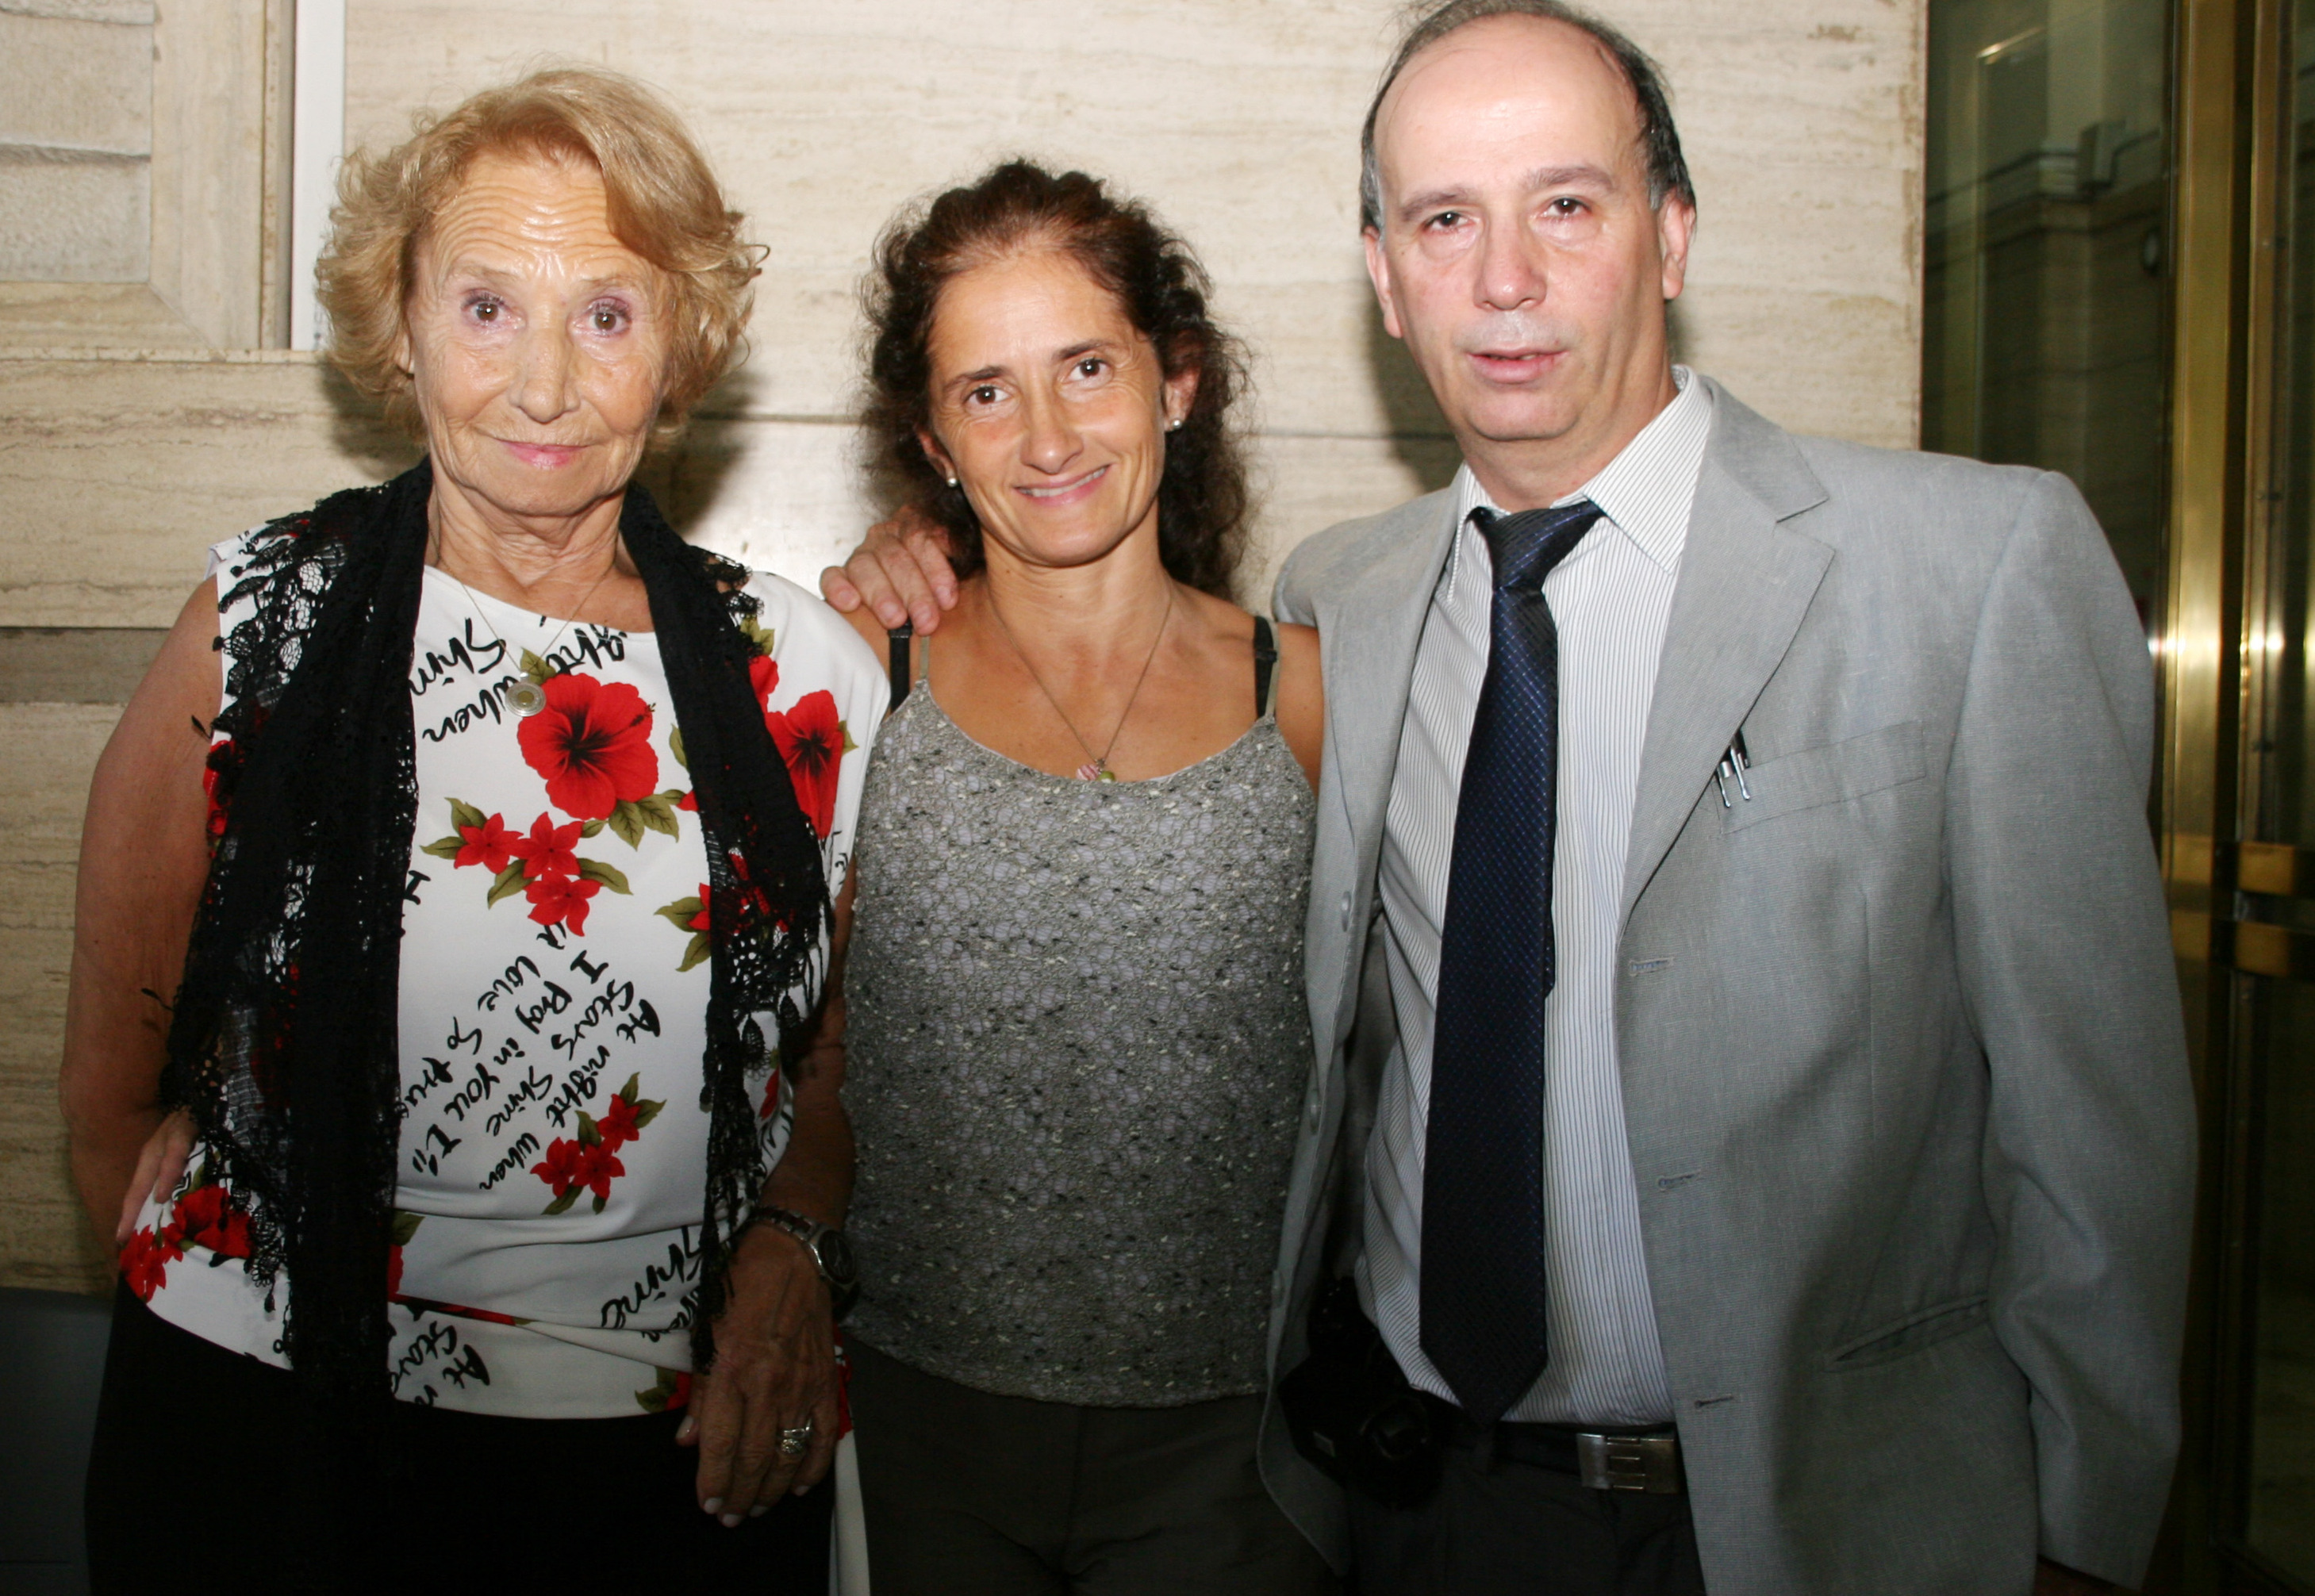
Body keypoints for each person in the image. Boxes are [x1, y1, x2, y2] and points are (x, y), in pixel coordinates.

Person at [821, 4, 2198, 1594]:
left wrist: (2083, 1539)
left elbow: (2098, 1137)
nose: (1503, 278)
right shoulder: (1358, 599)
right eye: (1442, 220)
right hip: (1427, 1508)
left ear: (1669, 234)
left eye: (1565, 203)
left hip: (1831, 1516)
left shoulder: (1971, 568)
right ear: (1384, 276)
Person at [60, 68, 883, 1590]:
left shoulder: (806, 680)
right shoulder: (259, 626)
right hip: (265, 1423)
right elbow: (116, 1056)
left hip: (660, 1457)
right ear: (402, 329)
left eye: (610, 316)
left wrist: (796, 1243)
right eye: (489, 307)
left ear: (679, 349)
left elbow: (819, 1090)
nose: (548, 386)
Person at [827, 159, 1335, 1595]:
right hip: (918, 1423)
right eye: (985, 391)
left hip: (1232, 1447)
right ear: (931, 439)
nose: (1045, 436)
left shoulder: (1301, 691)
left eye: (1086, 368)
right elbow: (794, 1036)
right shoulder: (865, 671)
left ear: (1176, 383)